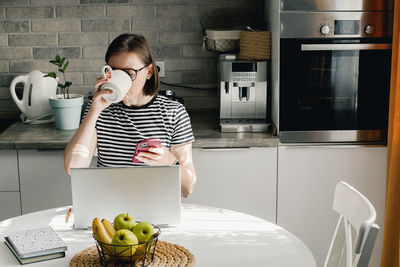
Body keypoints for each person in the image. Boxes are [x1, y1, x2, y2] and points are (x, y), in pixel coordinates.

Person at [64, 33, 196, 197]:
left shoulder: (173, 112)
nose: (121, 79)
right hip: (109, 208)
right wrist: (95, 110)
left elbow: (187, 188)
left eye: (129, 73)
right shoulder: (100, 110)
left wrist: (168, 161)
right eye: (114, 71)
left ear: (148, 71)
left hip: (155, 207)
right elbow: (73, 167)